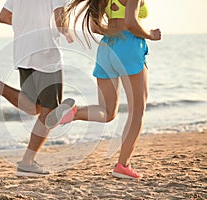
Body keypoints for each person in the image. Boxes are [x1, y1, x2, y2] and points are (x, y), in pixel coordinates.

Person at [46, 0, 161, 179]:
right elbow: (131, 22)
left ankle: (73, 112)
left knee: (107, 112)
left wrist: (113, 31)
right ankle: (123, 166)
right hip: (128, 47)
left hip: (106, 48)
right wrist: (151, 35)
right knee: (137, 111)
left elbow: (95, 26)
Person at [0, 0, 75, 176]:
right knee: (50, 111)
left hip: (23, 52)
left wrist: (27, 25)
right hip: (46, 54)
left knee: (34, 107)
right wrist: (68, 32)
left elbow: (3, 17)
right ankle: (27, 161)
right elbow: (59, 20)